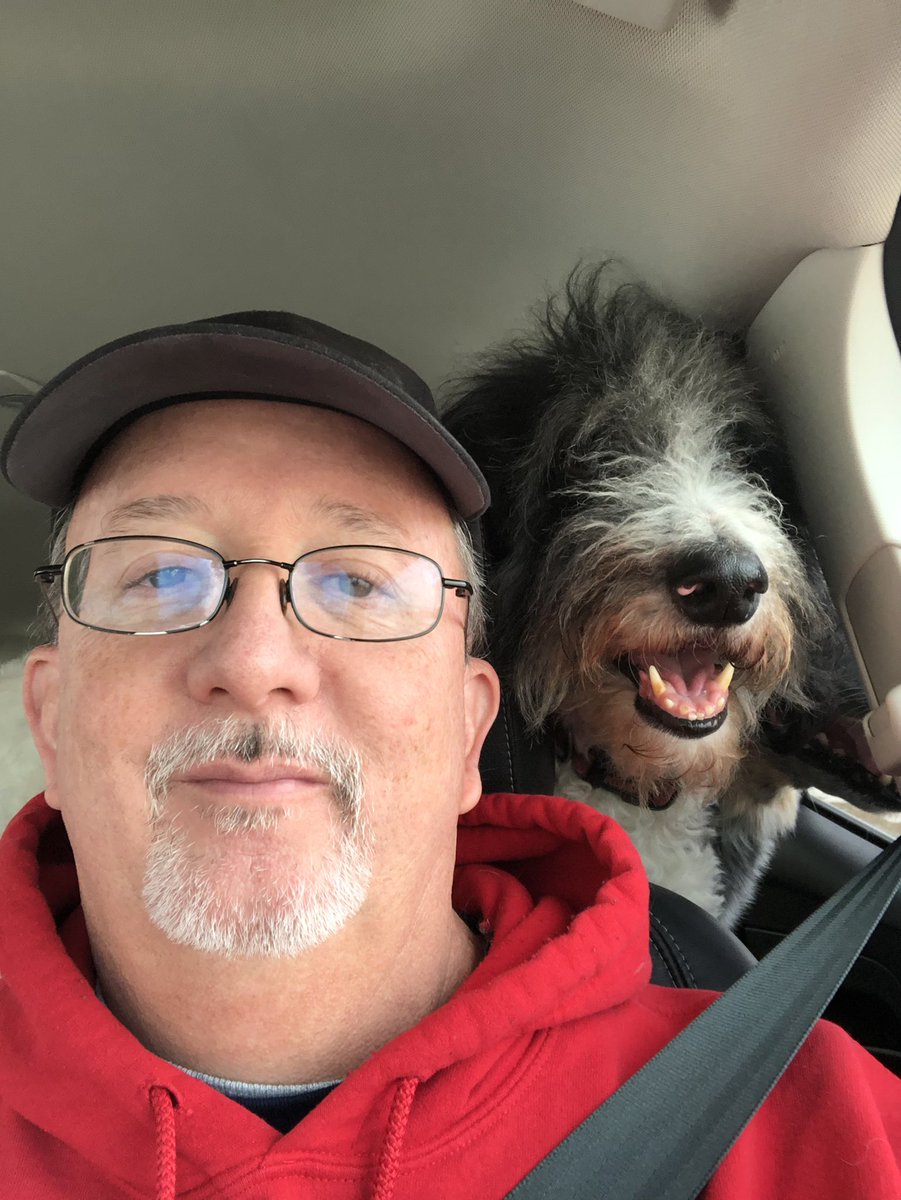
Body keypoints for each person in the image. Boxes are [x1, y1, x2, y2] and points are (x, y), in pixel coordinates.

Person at [0, 311, 898, 1200]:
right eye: (159, 574)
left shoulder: (806, 1116)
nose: (253, 661)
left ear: (472, 723)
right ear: (49, 713)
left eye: (357, 581)